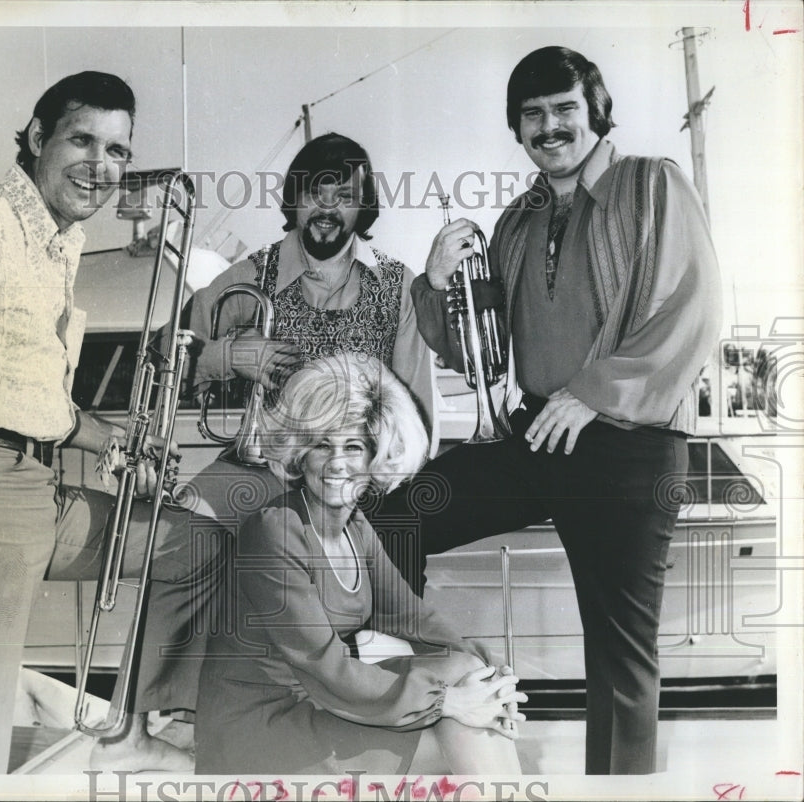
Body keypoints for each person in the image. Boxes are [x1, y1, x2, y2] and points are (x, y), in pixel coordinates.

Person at [370, 46, 723, 775]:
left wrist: (592, 393)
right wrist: (434, 284)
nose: (550, 127)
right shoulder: (518, 218)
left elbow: (694, 310)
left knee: (619, 652)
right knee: (395, 519)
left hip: (630, 443)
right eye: (532, 115)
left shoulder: (652, 184)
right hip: (539, 434)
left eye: (565, 109)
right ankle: (418, 696)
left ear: (597, 112)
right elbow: (478, 348)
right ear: (518, 128)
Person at [0, 72, 221, 774]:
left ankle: (132, 726)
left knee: (196, 546)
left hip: (39, 491)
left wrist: (113, 438)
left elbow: (27, 396)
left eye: (117, 151)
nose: (100, 165)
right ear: (36, 138)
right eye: (82, 140)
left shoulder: (60, 244)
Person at [195, 354, 526, 774]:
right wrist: (447, 701)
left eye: (353, 447)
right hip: (260, 731)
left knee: (467, 674)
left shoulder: (355, 526)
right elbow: (324, 665)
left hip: (319, 704)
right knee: (459, 727)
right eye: (322, 445)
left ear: (376, 456)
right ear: (301, 454)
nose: (337, 463)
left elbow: (412, 617)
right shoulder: (274, 530)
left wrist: (492, 676)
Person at [180, 132, 435, 527]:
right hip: (258, 475)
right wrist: (231, 356)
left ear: (363, 206)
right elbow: (164, 357)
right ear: (294, 198)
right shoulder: (251, 274)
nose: (327, 209)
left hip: (358, 487)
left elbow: (415, 422)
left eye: (345, 196)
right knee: (178, 535)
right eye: (316, 193)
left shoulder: (399, 285)